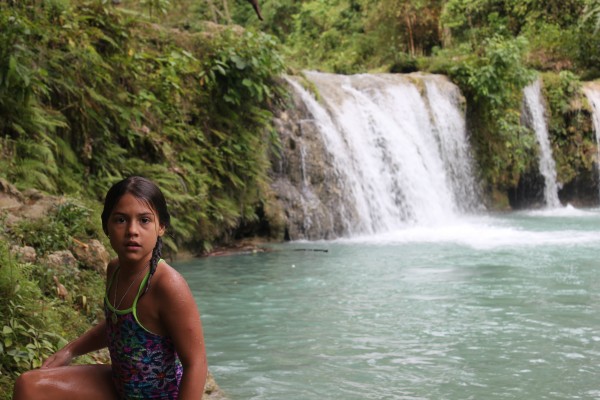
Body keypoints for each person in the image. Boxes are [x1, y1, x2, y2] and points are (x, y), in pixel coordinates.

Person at [12, 176, 207, 400]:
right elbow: (118, 326)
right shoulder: (114, 269)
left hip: (160, 396)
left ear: (161, 226)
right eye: (121, 220)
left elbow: (197, 363)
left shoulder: (168, 285)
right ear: (106, 226)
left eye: (144, 220)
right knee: (28, 385)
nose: (132, 230)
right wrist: (70, 350)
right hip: (118, 384)